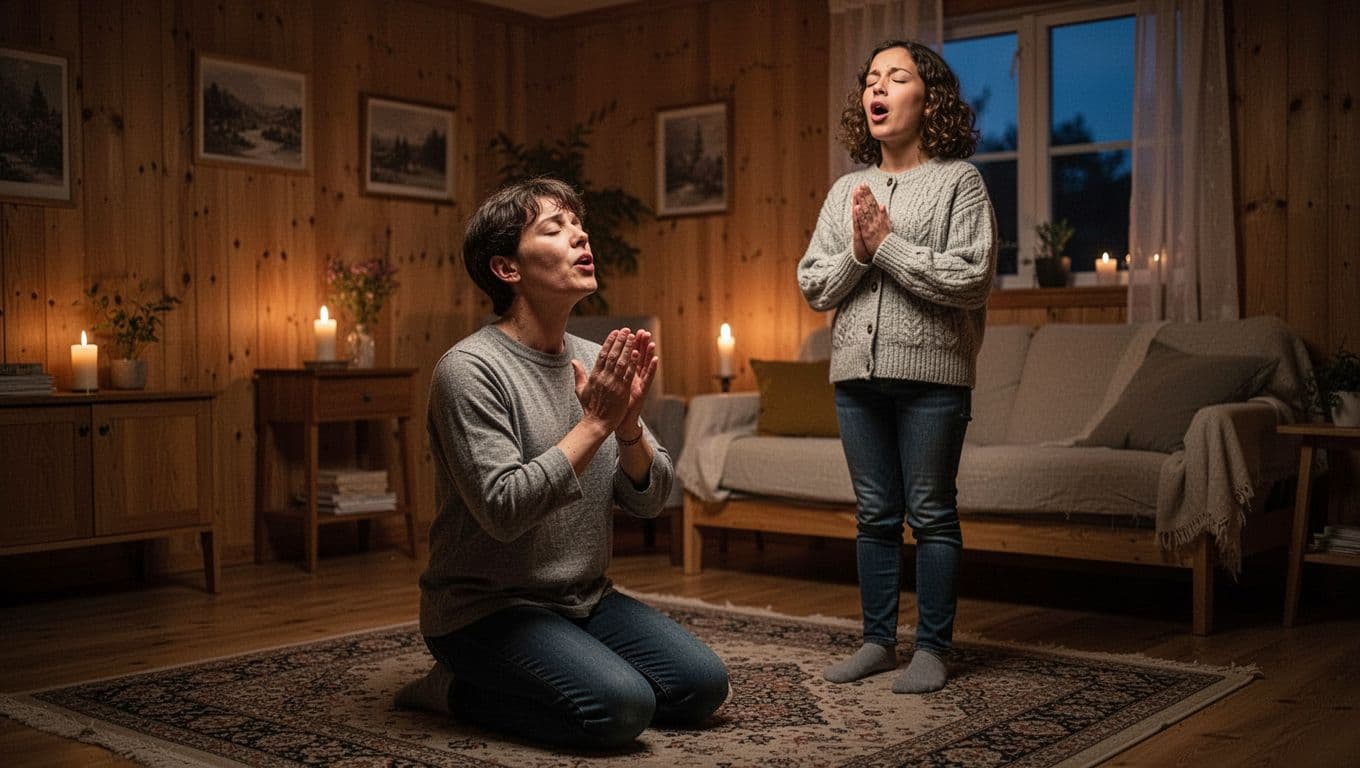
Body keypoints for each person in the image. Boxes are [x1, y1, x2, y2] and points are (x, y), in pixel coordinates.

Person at [394, 177, 728, 747]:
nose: (580, 237)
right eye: (556, 228)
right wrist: (595, 424)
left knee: (701, 686)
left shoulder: (594, 359)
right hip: (483, 611)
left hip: (584, 597)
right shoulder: (468, 370)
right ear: (507, 268)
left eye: (580, 226)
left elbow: (650, 501)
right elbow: (504, 510)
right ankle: (451, 689)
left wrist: (626, 430)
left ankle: (570, 659)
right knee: (622, 710)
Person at [797, 39, 997, 694]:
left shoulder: (959, 182)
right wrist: (860, 253)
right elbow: (814, 283)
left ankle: (932, 649)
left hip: (935, 376)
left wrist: (885, 246)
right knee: (874, 514)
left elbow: (969, 279)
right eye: (871, 79)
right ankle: (878, 642)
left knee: (932, 513)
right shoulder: (845, 190)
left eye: (897, 77)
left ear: (928, 98)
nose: (878, 88)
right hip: (855, 375)